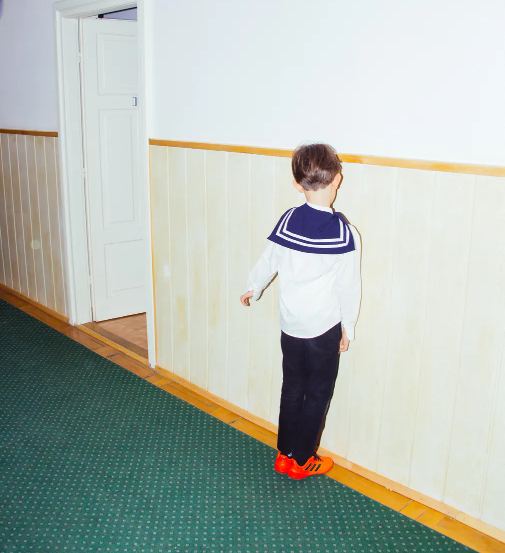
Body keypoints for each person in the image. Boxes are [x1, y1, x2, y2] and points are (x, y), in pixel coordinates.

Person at [240, 143, 361, 480]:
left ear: (296, 183)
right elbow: (349, 286)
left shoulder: (289, 219)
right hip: (323, 329)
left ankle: (285, 453)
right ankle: (304, 459)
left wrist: (254, 286)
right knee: (318, 392)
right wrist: (348, 326)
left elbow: (270, 258)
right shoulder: (345, 233)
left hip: (290, 325)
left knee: (292, 387)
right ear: (337, 179)